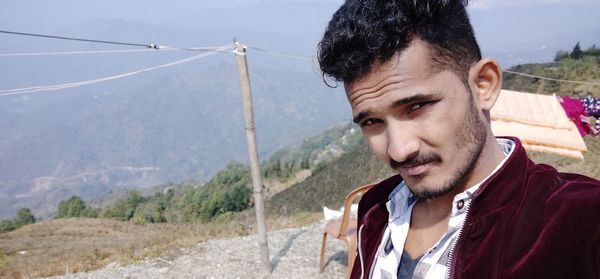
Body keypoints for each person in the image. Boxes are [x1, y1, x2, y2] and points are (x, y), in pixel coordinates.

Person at [317, 0, 600, 278]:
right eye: (371, 122)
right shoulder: (376, 208)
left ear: (483, 86)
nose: (399, 149)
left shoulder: (579, 222)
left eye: (417, 107)